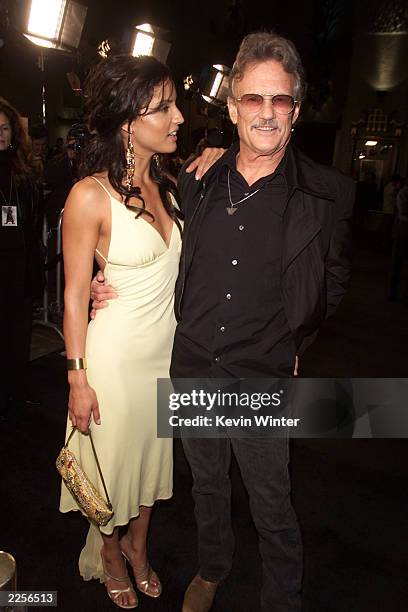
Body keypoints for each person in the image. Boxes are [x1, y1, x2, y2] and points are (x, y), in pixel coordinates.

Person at [92, 32, 355, 612]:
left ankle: (282, 597)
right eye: (253, 99)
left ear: (295, 110)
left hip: (261, 375)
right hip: (191, 366)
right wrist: (101, 277)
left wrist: (296, 338)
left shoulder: (328, 194)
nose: (266, 112)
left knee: (271, 500)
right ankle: (213, 567)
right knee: (206, 485)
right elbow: (150, 240)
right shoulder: (196, 178)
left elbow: (333, 283)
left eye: (279, 100)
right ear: (233, 107)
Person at [59, 54, 221, 609]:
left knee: (153, 462)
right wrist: (77, 379)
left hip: (165, 357)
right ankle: (109, 553)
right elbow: (75, 294)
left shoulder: (173, 185)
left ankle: (138, 547)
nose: (179, 116)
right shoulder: (88, 195)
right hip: (115, 359)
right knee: (110, 466)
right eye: (164, 107)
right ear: (129, 120)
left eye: (175, 103)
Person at [0, 97, 44, 419]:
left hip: (21, 266)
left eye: (4, 128)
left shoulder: (25, 170)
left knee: (19, 333)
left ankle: (18, 390)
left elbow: (33, 221)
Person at [389, 181, 408, 301]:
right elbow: (403, 212)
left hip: (403, 230)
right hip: (404, 231)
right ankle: (393, 293)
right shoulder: (404, 193)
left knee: (398, 263)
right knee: (397, 263)